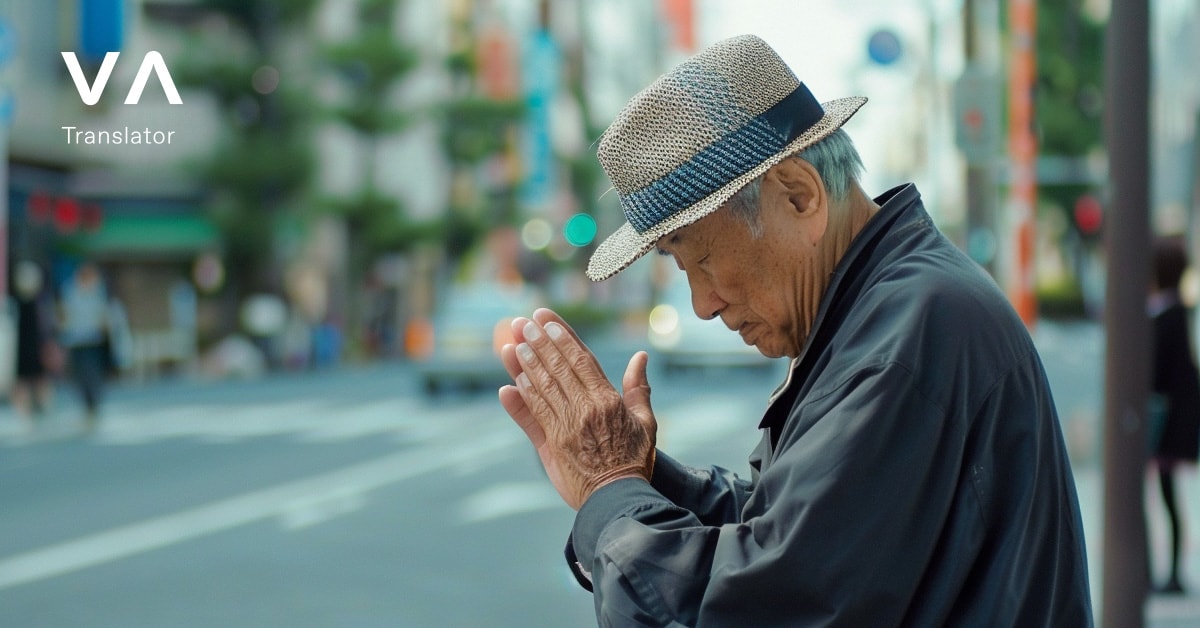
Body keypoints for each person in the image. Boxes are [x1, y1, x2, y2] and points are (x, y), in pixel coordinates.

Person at [496, 35, 1092, 625]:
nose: (703, 304)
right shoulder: (890, 308)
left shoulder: (904, 339)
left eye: (700, 260)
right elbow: (792, 526)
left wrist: (610, 490)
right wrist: (643, 476)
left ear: (800, 196)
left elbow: (764, 603)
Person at [1147, 235, 1200, 594]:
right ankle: (1167, 572)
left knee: (1165, 498)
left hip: (1165, 424)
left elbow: (1161, 374)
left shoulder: (1169, 316)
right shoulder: (1176, 312)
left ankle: (1171, 574)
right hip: (1172, 422)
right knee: (1166, 498)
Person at [58, 262, 114, 430]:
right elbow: (64, 314)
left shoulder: (97, 291)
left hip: (93, 340)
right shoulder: (70, 291)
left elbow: (103, 314)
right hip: (75, 341)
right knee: (79, 376)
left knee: (93, 374)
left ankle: (93, 406)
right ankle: (86, 406)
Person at [10, 260, 59, 428]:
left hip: (35, 348)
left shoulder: (39, 303)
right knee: (24, 381)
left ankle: (41, 409)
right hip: (20, 350)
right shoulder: (15, 303)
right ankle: (24, 413)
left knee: (39, 380)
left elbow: (47, 328)